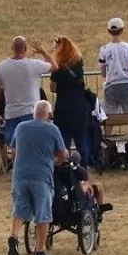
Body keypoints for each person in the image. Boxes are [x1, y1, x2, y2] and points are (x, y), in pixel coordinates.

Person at [7, 101, 67, 255]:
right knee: (43, 213)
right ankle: (40, 251)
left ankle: (13, 236)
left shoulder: (20, 127)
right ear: (49, 115)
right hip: (41, 176)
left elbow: (14, 150)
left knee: (20, 209)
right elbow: (62, 154)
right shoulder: (53, 129)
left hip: (20, 175)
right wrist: (56, 160)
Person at [0, 37, 57, 157]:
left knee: (16, 144)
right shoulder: (34, 64)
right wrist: (43, 52)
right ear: (25, 49)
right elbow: (54, 66)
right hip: (31, 112)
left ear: (12, 48)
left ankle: (17, 170)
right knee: (31, 144)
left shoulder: (2, 67)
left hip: (11, 114)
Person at [47, 37, 93, 167]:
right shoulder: (79, 63)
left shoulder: (58, 68)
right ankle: (83, 169)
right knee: (81, 141)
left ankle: (64, 168)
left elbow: (53, 88)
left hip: (64, 108)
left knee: (64, 143)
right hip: (80, 106)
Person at [97, 18, 128, 116]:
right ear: (122, 30)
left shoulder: (104, 50)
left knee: (109, 119)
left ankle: (107, 132)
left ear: (108, 31)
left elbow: (103, 73)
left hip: (111, 86)